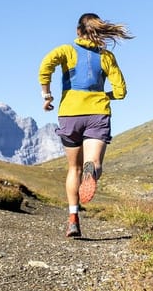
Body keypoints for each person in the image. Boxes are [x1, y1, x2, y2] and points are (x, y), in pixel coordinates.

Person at [38, 13, 132, 238]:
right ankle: (93, 172)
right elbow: (121, 91)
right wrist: (101, 95)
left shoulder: (66, 51)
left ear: (78, 31)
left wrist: (47, 95)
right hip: (97, 113)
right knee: (93, 162)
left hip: (70, 114)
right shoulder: (106, 56)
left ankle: (73, 220)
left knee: (74, 169)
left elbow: (45, 67)